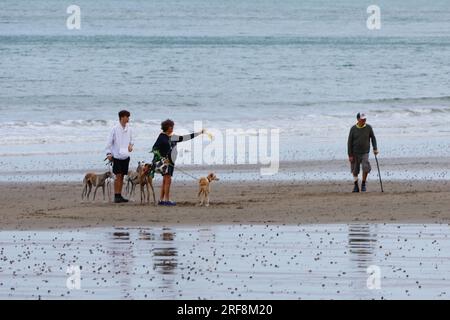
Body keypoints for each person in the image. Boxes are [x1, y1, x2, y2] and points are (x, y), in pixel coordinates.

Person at [152, 119, 205, 206]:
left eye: (172, 126)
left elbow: (185, 137)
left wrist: (198, 133)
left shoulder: (173, 137)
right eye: (170, 126)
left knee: (165, 180)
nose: (172, 128)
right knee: (167, 180)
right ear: (166, 127)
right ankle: (167, 200)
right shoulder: (161, 137)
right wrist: (162, 158)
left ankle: (161, 200)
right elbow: (154, 149)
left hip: (172, 161)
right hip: (165, 162)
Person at [105, 110, 134, 203]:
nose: (128, 118)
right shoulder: (114, 128)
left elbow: (132, 140)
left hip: (126, 155)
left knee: (122, 176)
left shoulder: (129, 128)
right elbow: (109, 142)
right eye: (127, 117)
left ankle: (119, 195)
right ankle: (116, 195)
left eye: (128, 117)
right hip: (117, 155)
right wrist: (108, 153)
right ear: (122, 117)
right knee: (118, 176)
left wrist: (130, 145)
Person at [347, 112, 379, 193]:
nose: (364, 120)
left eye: (365, 119)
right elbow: (349, 142)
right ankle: (356, 185)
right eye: (362, 119)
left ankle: (363, 184)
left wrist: (375, 148)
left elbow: (373, 138)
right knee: (355, 170)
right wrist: (350, 154)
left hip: (365, 152)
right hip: (355, 152)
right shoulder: (353, 129)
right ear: (358, 119)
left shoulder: (368, 127)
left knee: (365, 167)